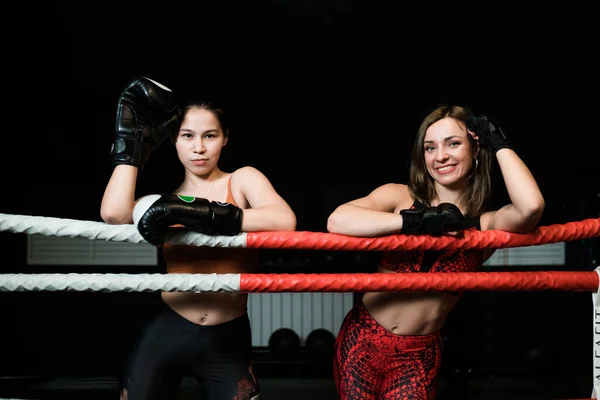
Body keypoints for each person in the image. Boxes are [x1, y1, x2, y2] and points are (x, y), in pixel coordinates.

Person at [326, 104, 545, 399]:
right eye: (430, 148)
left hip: (417, 355)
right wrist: (412, 222)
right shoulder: (399, 195)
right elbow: (337, 220)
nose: (440, 156)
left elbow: (531, 207)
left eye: (453, 143)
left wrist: (497, 142)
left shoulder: (485, 224)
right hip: (362, 340)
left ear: (475, 150)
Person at [100, 76, 297, 400]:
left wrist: (201, 214)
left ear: (225, 139)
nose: (199, 147)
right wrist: (131, 147)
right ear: (172, 140)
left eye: (210, 135)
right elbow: (113, 214)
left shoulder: (242, 179)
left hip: (227, 336)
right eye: (187, 136)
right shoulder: (166, 202)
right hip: (168, 327)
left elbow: (284, 220)